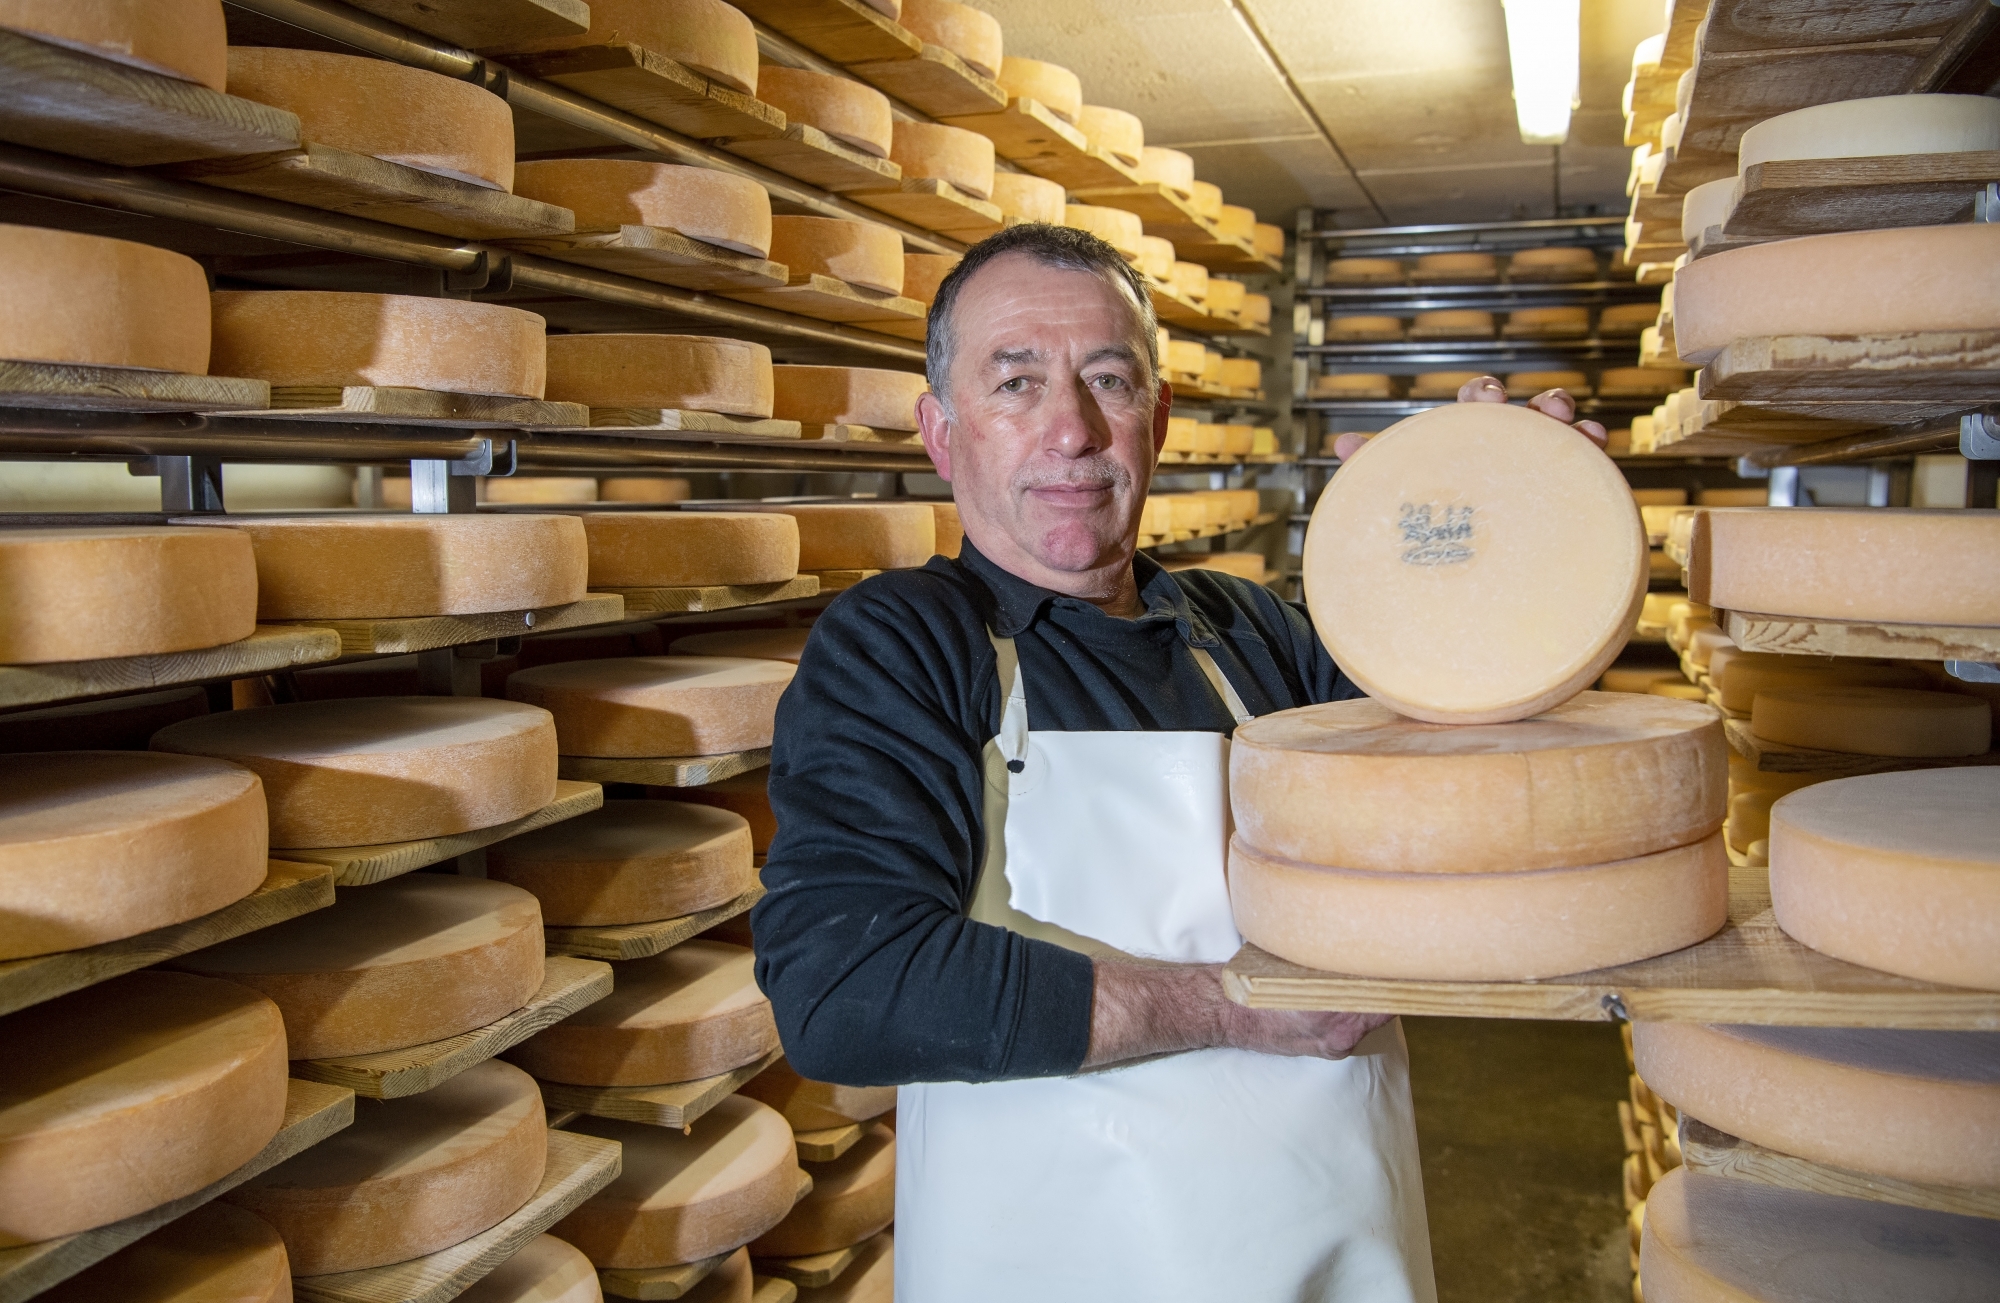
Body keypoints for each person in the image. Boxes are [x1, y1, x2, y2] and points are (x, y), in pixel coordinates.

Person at [751, 223, 1607, 1302]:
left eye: (1106, 380)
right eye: (1014, 383)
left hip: (1340, 1253)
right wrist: (1230, 1005)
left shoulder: (1258, 637)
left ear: (1155, 421)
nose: (1070, 430)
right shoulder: (907, 643)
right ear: (939, 431)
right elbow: (842, 989)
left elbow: (1486, 806)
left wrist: (1524, 549)